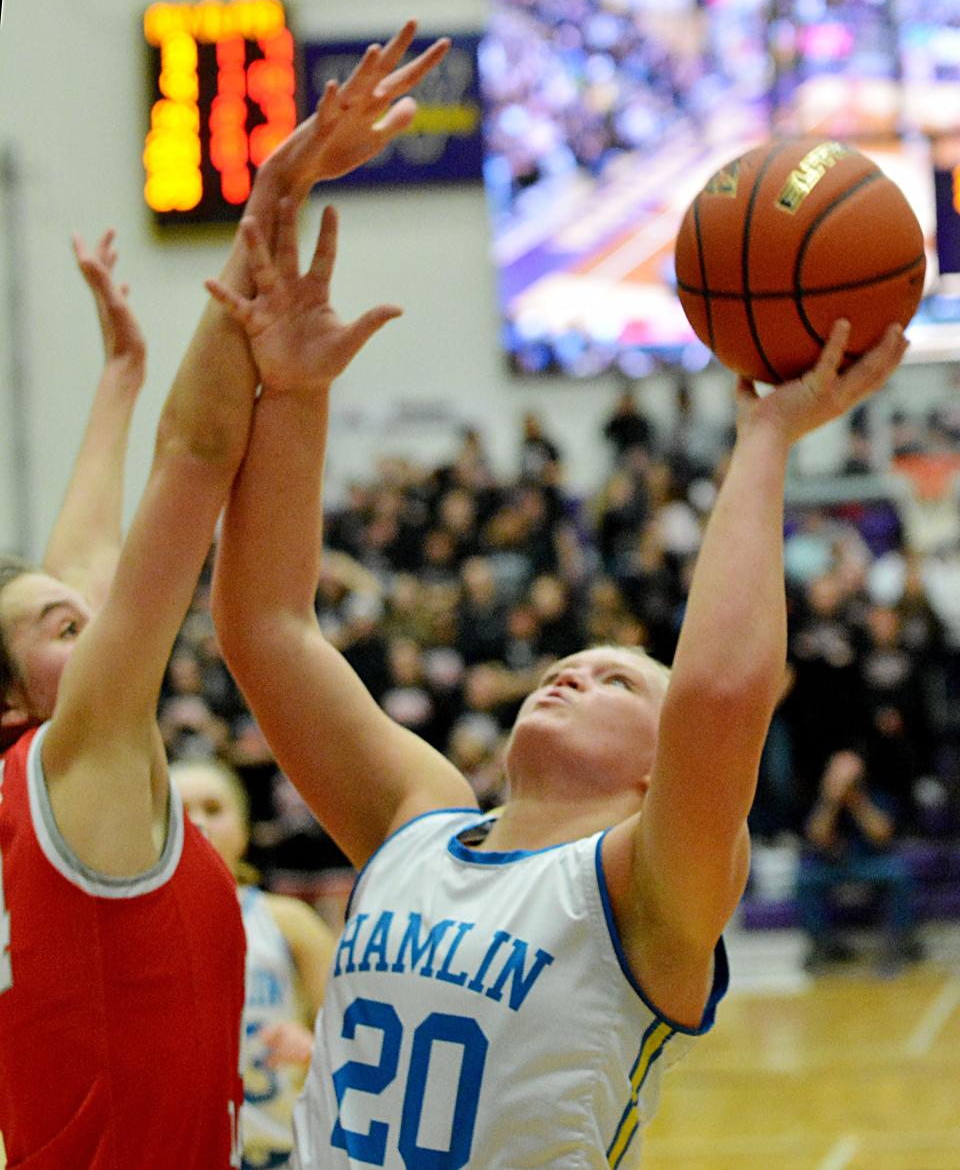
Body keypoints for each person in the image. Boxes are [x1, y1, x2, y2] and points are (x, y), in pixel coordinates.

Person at [207, 158, 910, 1168]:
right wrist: (297, 391)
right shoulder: (416, 820)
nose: (571, 673)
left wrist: (766, 436)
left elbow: (717, 694)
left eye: (618, 678)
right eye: (571, 666)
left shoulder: (642, 889)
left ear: (657, 772)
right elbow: (266, 627)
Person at [0, 22, 450, 1168]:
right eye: (65, 629)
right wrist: (273, 198)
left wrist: (118, 380)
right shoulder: (70, 763)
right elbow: (194, 461)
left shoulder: (41, 785)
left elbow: (82, 567)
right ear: (14, 697)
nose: (97, 621)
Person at [172, 760, 336, 1169]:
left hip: (280, 1155)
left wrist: (315, 1049)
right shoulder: (129, 933)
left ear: (244, 830)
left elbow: (357, 1043)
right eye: (180, 809)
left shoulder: (289, 922)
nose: (198, 822)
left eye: (213, 808)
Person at [797, 749, 921, 975]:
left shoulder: (876, 797)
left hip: (870, 863)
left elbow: (882, 834)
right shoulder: (823, 801)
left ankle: (899, 941)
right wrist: (831, 802)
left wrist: (857, 802)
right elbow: (817, 836)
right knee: (805, 880)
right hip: (833, 866)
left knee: (899, 874)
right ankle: (822, 945)